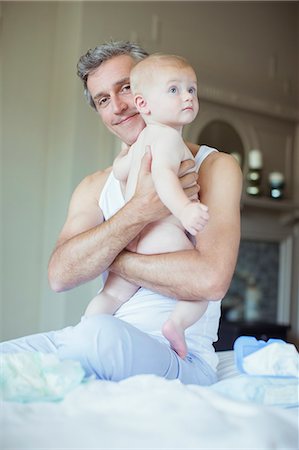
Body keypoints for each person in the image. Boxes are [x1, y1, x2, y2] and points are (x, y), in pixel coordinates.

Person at [0, 41, 242, 386]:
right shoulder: (95, 186)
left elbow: (210, 280)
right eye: (102, 99)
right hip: (104, 335)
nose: (118, 107)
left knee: (96, 334)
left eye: (125, 87)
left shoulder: (214, 166)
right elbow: (61, 274)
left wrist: (109, 257)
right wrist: (140, 209)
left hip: (177, 354)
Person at [85, 53, 210, 359]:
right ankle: (176, 325)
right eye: (174, 90)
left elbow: (120, 172)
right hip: (161, 234)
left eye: (191, 89)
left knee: (111, 294)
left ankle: (87, 327)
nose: (187, 98)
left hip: (131, 240)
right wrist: (184, 210)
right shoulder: (168, 138)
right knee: (200, 290)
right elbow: (165, 176)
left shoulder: (141, 143)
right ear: (145, 103)